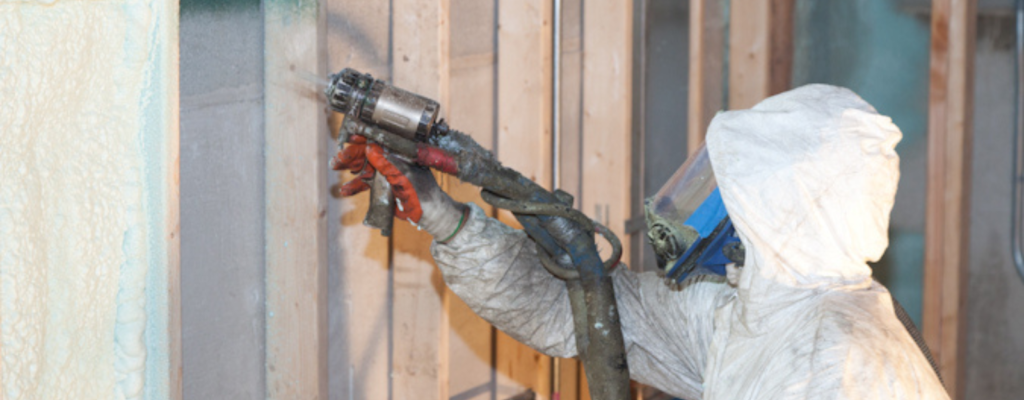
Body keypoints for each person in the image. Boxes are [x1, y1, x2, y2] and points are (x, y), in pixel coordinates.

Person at [333, 84, 950, 399]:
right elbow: (580, 309)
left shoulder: (838, 366)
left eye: (727, 191)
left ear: (780, 212)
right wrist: (443, 216)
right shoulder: (758, 316)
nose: (708, 207)